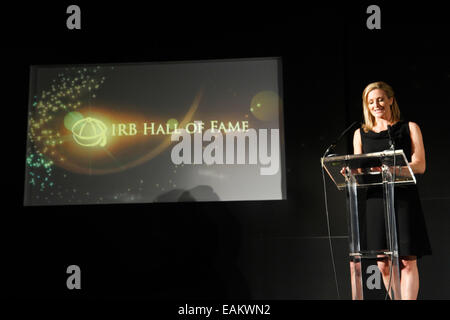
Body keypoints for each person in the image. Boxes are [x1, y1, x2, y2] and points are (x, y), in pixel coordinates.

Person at [351, 81, 432, 300]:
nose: (375, 105)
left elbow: (420, 164)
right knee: (383, 264)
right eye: (370, 102)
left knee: (407, 260)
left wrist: (395, 168)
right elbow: (359, 169)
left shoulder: (409, 128)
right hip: (375, 201)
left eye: (379, 99)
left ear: (390, 100)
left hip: (404, 199)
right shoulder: (360, 134)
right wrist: (350, 173)